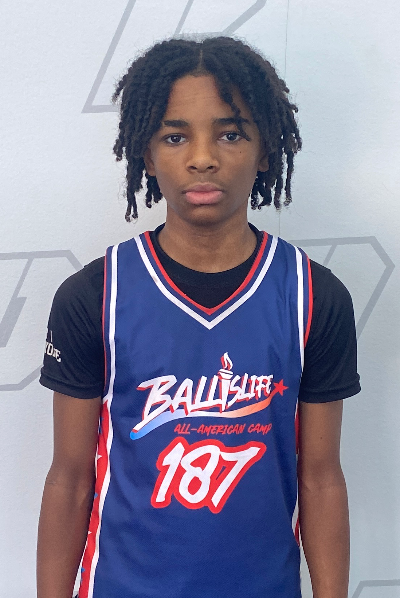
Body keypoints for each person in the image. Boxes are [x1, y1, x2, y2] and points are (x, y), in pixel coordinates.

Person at [37, 36, 360, 598]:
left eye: (230, 134)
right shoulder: (95, 295)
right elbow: (69, 478)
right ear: (146, 153)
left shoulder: (314, 296)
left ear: (265, 150)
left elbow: (322, 478)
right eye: (175, 136)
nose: (203, 157)